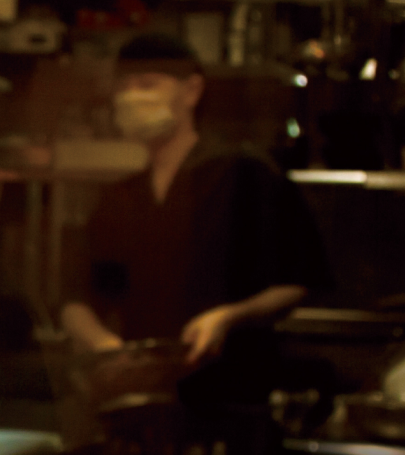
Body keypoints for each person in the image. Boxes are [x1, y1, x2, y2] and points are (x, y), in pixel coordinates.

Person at [61, 33, 332, 403]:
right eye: (123, 86)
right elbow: (78, 297)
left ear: (191, 91)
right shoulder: (119, 197)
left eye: (147, 84)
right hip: (145, 396)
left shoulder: (242, 173)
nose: (130, 97)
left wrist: (228, 316)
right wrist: (107, 348)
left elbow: (296, 282)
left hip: (234, 392)